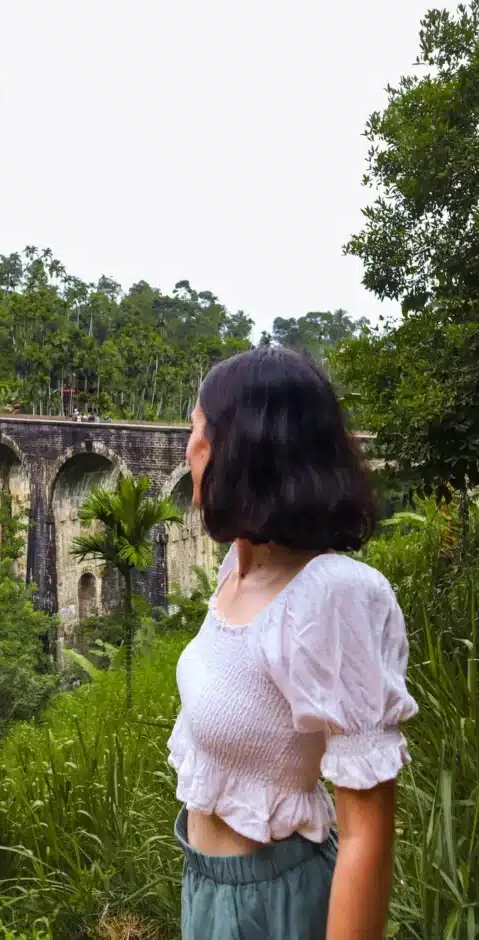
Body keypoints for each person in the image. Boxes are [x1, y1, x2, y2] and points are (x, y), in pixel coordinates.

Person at [168, 347, 417, 940]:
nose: (189, 450)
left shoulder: (330, 597)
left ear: (244, 449)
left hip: (274, 907)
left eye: (198, 431)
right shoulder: (239, 564)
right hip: (205, 885)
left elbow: (367, 835)